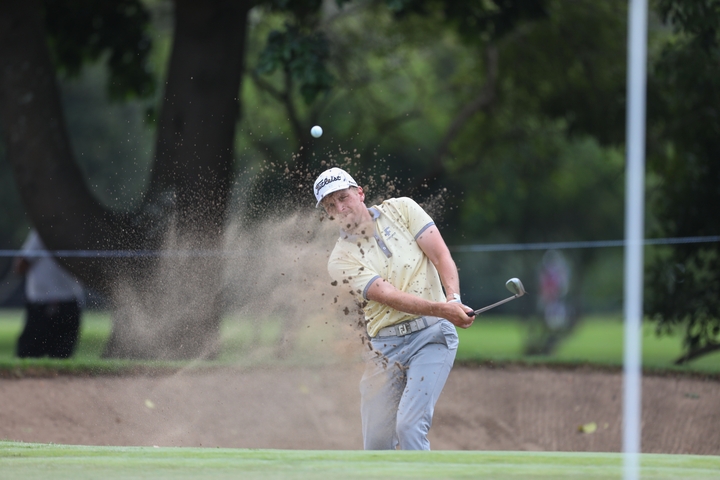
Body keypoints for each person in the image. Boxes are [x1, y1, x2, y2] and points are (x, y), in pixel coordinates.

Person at [313, 167, 475, 450]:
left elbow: (440, 255)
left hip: (431, 336)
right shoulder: (340, 260)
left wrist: (454, 299)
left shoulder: (402, 209)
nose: (340, 207)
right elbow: (388, 295)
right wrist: (443, 308)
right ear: (328, 215)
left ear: (360, 193)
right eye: (331, 205)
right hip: (384, 350)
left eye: (344, 197)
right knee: (376, 443)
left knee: (410, 427)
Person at [13, 229, 85, 358]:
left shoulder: (43, 233)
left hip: (44, 304)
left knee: (28, 354)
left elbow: (21, 266)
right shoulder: (78, 233)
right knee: (62, 355)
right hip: (71, 303)